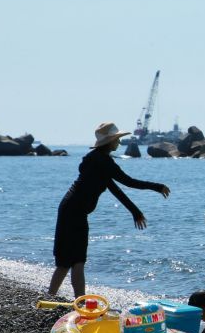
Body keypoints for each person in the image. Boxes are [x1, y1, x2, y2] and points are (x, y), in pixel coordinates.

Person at [47, 122, 170, 298]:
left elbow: (114, 189)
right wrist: (157, 187)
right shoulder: (103, 161)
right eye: (117, 139)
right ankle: (80, 302)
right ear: (109, 142)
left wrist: (135, 211)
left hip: (69, 209)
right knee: (77, 260)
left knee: (66, 261)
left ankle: (51, 297)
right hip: (75, 212)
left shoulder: (94, 158)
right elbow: (129, 182)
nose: (119, 143)